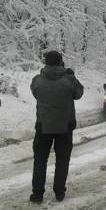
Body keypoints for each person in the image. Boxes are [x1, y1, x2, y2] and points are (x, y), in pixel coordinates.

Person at [29, 51, 84, 203]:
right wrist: (72, 76)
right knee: (62, 159)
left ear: (46, 62)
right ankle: (59, 192)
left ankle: (37, 193)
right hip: (65, 125)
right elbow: (78, 94)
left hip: (43, 125)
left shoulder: (37, 80)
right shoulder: (69, 80)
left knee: (40, 159)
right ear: (61, 62)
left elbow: (36, 94)